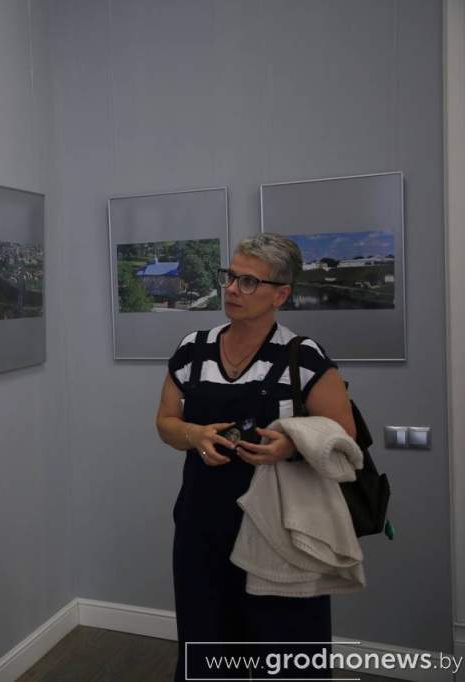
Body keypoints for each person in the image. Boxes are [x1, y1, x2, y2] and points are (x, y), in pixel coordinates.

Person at [154, 233, 357, 681]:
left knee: (286, 650)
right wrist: (193, 434)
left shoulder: (303, 356)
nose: (231, 289)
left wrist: (291, 446)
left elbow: (345, 433)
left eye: (249, 282)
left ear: (280, 294)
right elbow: (165, 422)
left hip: (280, 529)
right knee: (206, 645)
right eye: (230, 277)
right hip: (202, 526)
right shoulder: (194, 349)